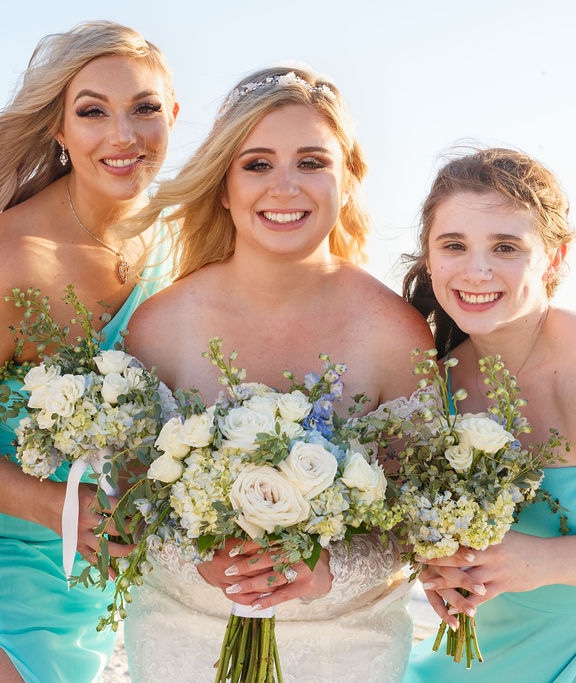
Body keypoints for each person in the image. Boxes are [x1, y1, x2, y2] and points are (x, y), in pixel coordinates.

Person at [121, 65, 432, 682]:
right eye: (257, 164)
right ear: (224, 186)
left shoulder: (396, 332)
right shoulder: (160, 324)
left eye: (311, 162)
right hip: (181, 639)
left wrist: (328, 572)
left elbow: (414, 517)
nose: (284, 188)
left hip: (347, 646)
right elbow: (130, 500)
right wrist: (196, 561)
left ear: (348, 180)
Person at [0, 21, 179, 683]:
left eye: (145, 109)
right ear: (59, 128)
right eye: (93, 112)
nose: (122, 136)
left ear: (174, 117)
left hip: (91, 550)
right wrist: (58, 508)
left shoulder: (176, 243)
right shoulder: (12, 255)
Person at [401, 147, 576, 681]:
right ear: (430, 256)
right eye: (454, 245)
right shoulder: (434, 378)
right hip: (490, 650)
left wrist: (546, 563)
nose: (476, 270)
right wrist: (442, 567)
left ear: (553, 257)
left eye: (505, 246)